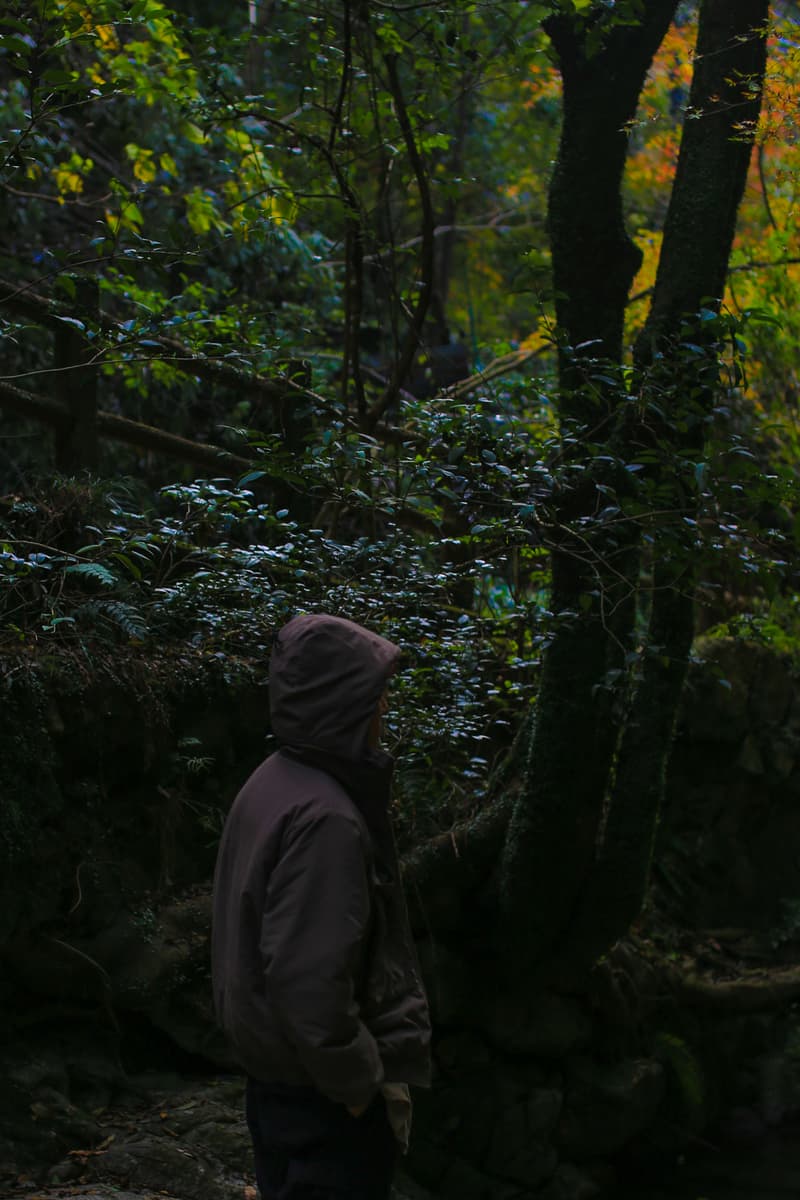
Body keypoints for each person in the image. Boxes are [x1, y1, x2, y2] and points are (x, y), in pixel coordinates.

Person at [211, 613, 431, 1200]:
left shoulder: (273, 781)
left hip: (277, 1083)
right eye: (374, 698)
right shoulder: (324, 817)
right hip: (321, 1100)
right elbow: (308, 980)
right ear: (343, 705)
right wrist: (358, 1082)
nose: (383, 712)